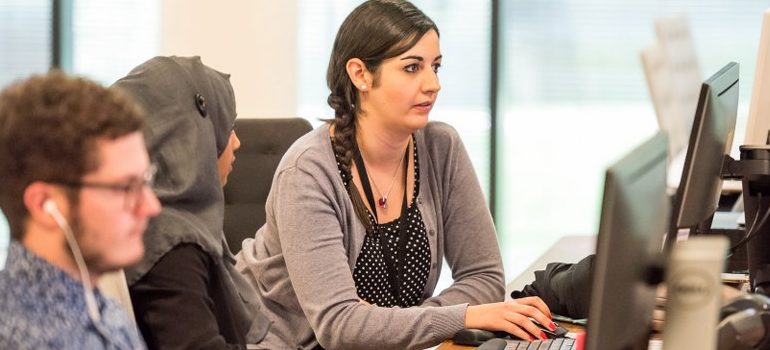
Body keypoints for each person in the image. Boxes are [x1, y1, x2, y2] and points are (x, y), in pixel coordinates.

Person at [235, 1, 554, 349]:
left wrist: (389, 323)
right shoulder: (308, 172)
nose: (433, 84)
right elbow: (340, 327)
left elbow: (485, 277)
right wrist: (462, 316)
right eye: (412, 67)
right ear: (360, 75)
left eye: (436, 66)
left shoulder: (440, 147)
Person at [113, 56, 271, 349]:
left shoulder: (172, 224)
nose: (235, 142)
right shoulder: (171, 243)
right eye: (226, 126)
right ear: (192, 135)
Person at [0, 71, 160, 348]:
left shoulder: (100, 309)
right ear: (43, 205)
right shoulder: (28, 339)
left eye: (145, 181)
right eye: (125, 187)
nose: (150, 206)